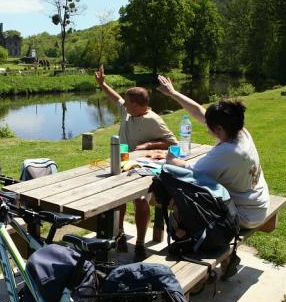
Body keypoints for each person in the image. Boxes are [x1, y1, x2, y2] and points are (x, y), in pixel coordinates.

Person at [157, 75, 269, 229]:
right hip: (257, 204)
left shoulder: (230, 151)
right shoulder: (238, 130)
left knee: (179, 200)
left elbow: (191, 173)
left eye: (209, 128)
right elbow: (200, 112)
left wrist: (170, 159)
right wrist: (173, 93)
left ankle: (187, 247)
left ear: (219, 129)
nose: (207, 130)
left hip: (244, 214)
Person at [94, 65, 178, 261]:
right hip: (122, 163)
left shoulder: (154, 120)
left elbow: (173, 144)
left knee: (140, 202)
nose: (124, 105)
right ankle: (120, 234)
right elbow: (116, 98)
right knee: (119, 200)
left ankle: (140, 243)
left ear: (139, 105)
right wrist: (102, 84)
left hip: (143, 170)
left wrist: (148, 144)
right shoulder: (128, 112)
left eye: (128, 102)